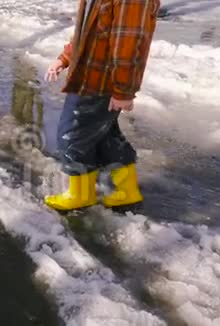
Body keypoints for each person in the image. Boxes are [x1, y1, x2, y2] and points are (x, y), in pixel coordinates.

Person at [44, 0, 160, 211]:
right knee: (104, 135)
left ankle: (80, 194)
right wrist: (65, 58)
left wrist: (123, 90)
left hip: (100, 82)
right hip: (90, 76)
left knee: (72, 135)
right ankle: (127, 190)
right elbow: (88, 32)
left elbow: (129, 42)